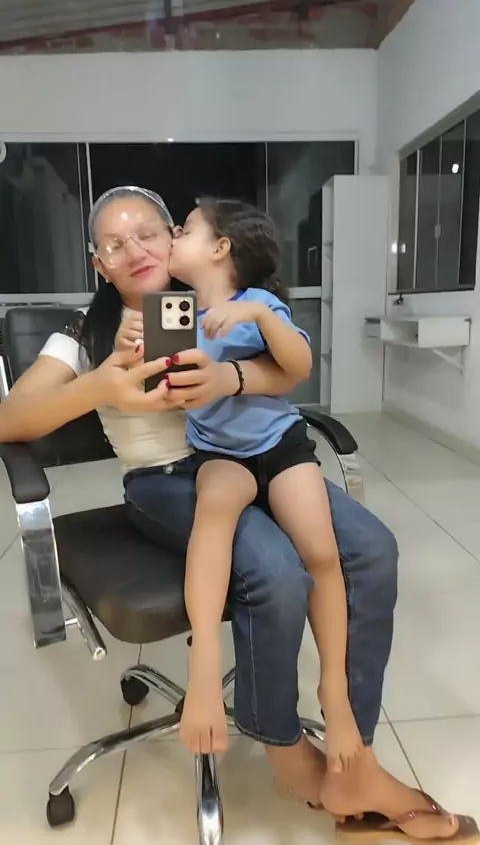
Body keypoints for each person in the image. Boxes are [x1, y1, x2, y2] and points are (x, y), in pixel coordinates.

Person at [0, 185, 475, 843]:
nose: (134, 250)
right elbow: (11, 419)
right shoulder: (84, 332)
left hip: (254, 457)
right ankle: (285, 753)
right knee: (274, 570)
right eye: (114, 243)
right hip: (168, 479)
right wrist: (100, 384)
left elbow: (283, 372)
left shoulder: (211, 302)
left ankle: (356, 758)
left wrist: (233, 378)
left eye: (148, 233)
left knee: (371, 548)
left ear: (175, 237)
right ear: (98, 264)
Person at [167, 198, 362, 771]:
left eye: (185, 228)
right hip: (219, 452)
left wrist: (258, 316)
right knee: (214, 509)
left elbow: (298, 366)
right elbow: (165, 388)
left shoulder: (259, 302)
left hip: (279, 444)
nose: (174, 234)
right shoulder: (173, 312)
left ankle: (334, 689)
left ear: (221, 247)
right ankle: (204, 669)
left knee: (321, 554)